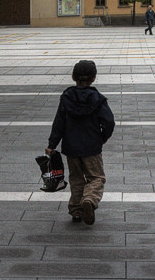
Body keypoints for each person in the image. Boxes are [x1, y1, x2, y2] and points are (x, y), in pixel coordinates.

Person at [46, 59, 115, 225]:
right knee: (97, 177)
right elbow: (109, 122)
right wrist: (102, 137)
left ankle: (76, 211)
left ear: (73, 77)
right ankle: (89, 200)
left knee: (76, 179)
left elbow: (59, 123)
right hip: (91, 147)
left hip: (71, 147)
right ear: (94, 78)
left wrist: (52, 144)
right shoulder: (98, 99)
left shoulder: (66, 97)